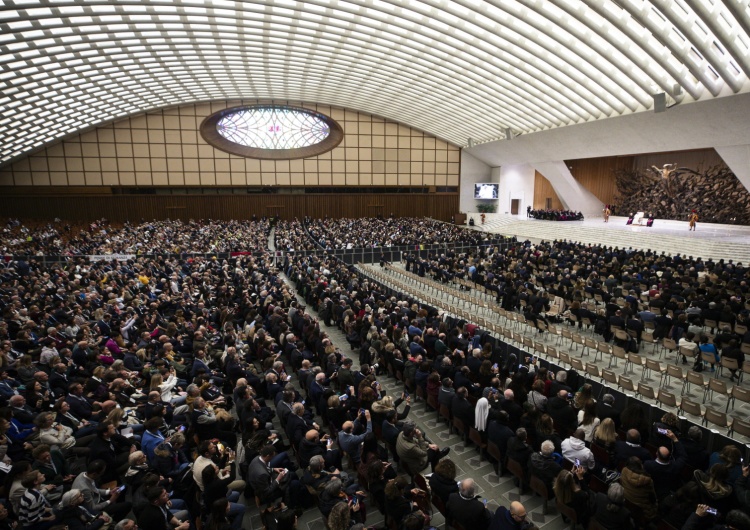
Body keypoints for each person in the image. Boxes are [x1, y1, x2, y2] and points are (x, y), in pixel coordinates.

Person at [620, 457, 658, 521]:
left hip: (626, 504)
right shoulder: (648, 481)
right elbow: (653, 498)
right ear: (640, 466)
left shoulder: (624, 471)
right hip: (644, 511)